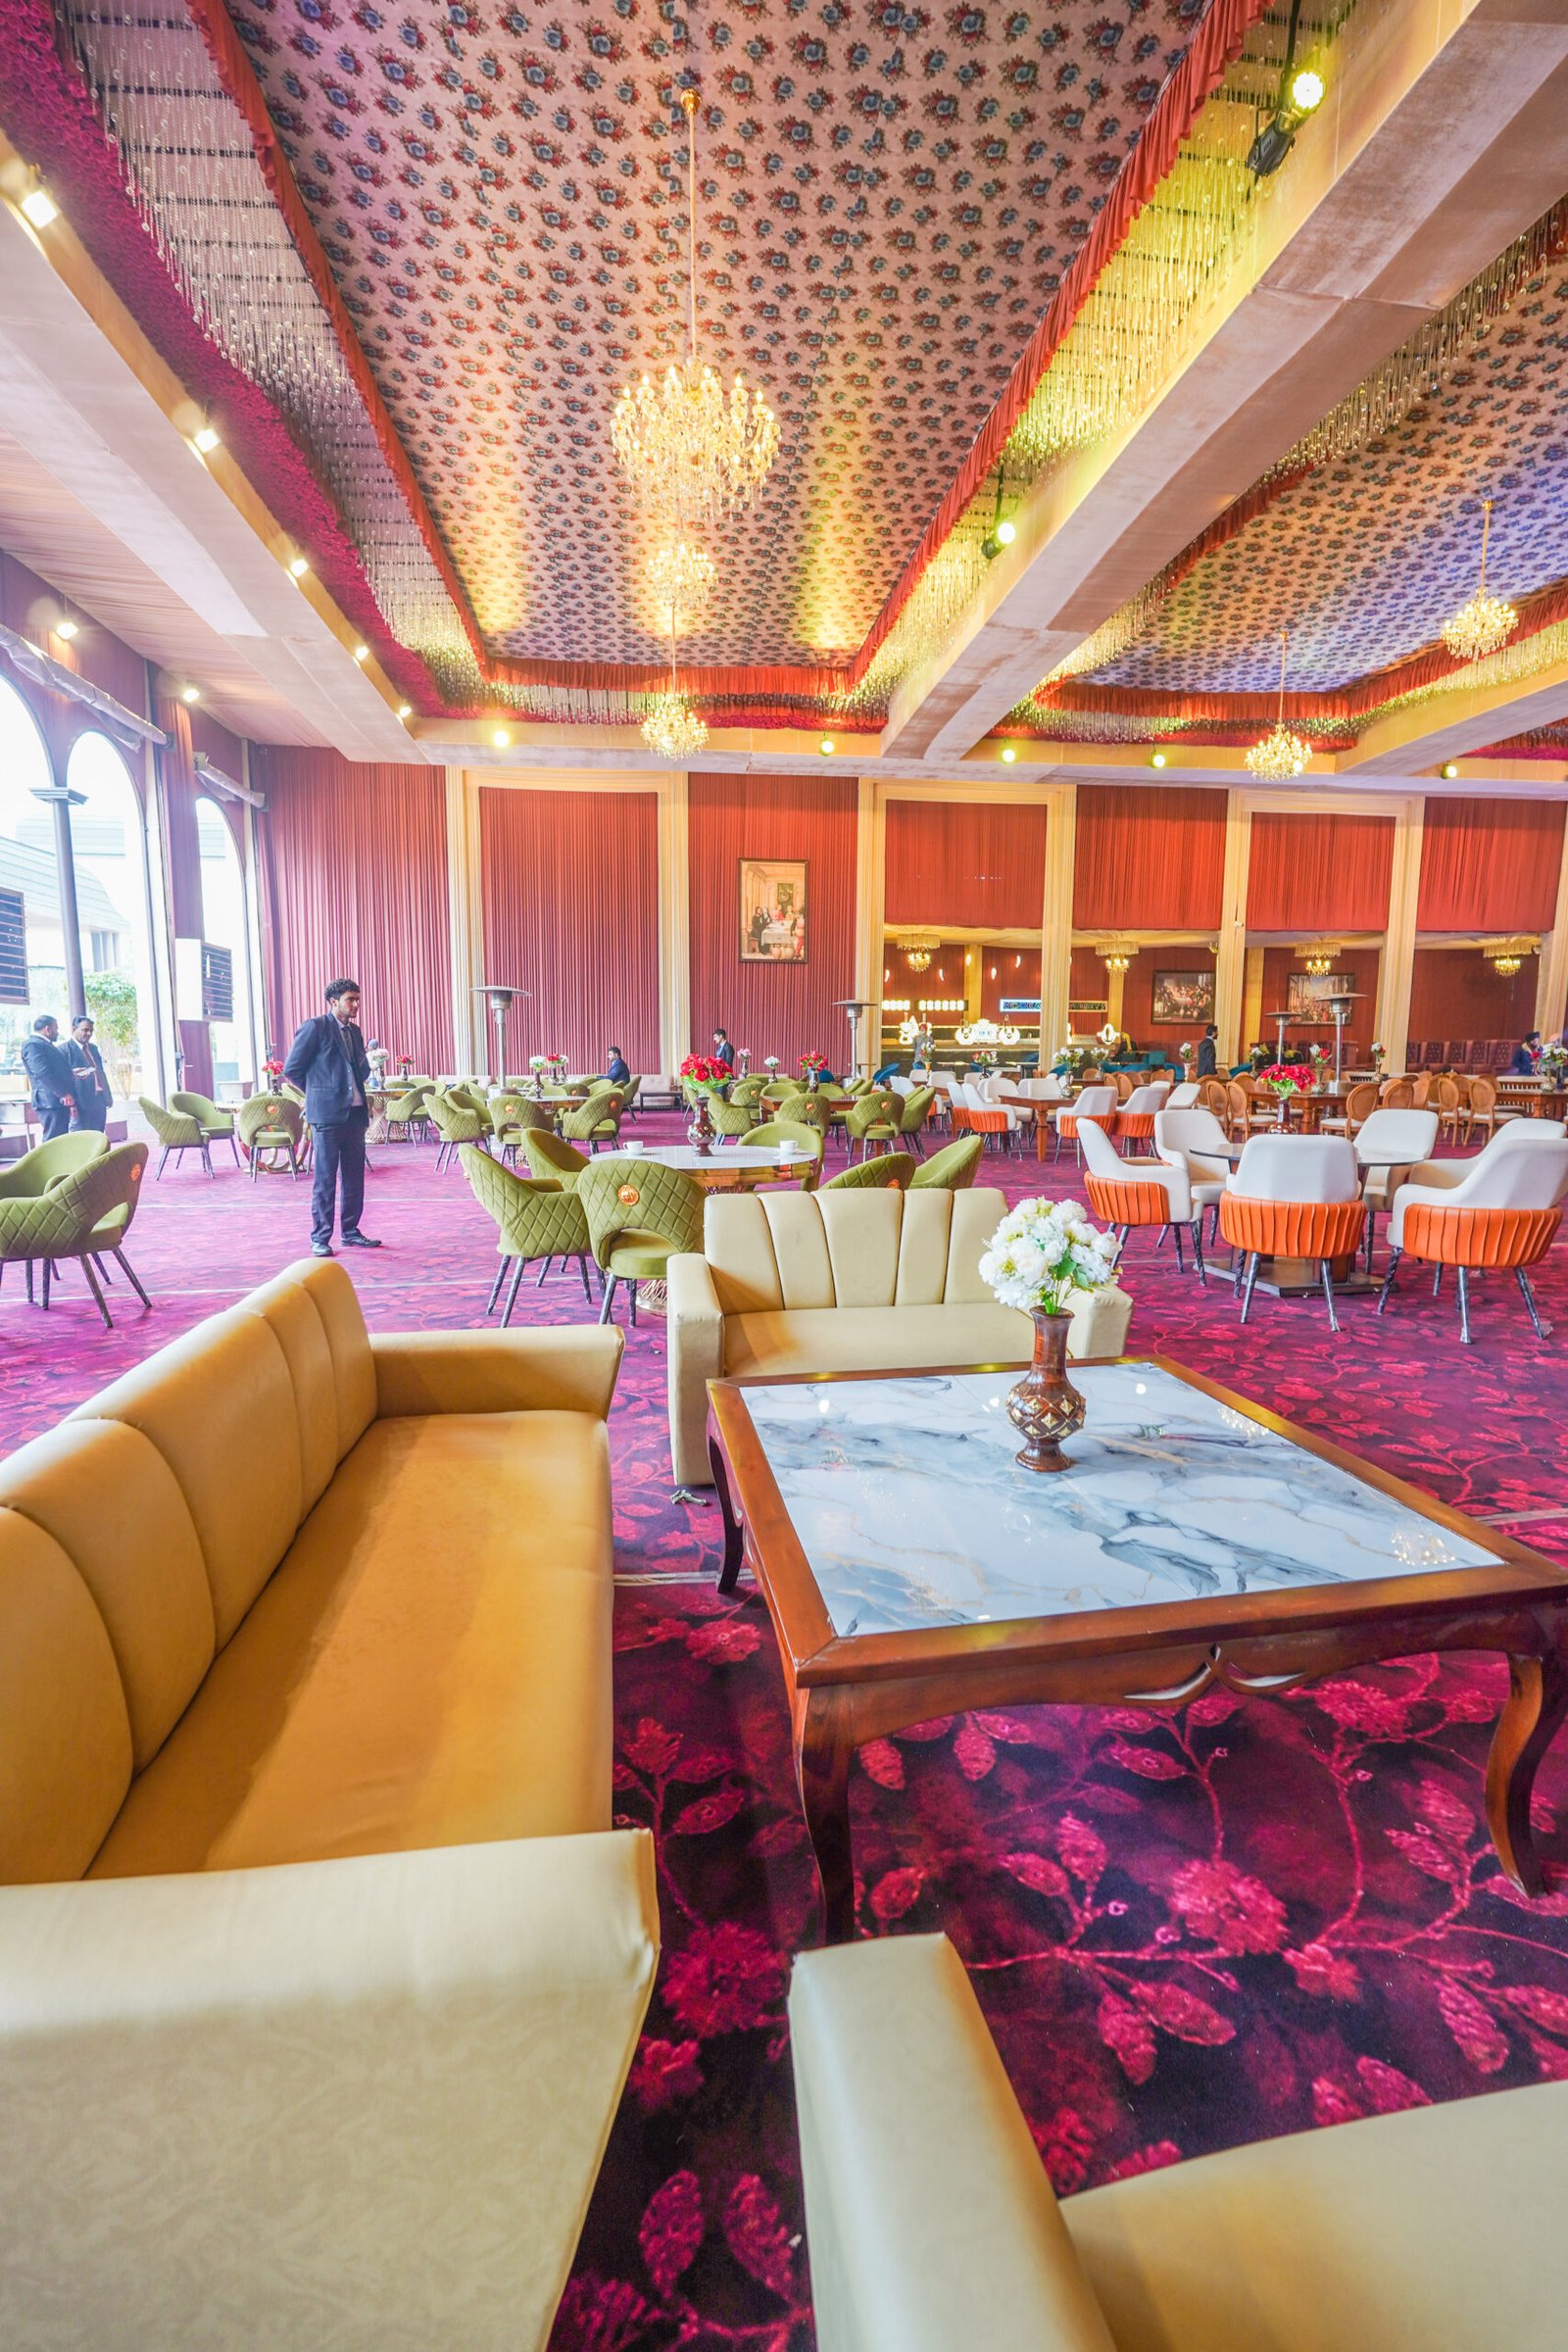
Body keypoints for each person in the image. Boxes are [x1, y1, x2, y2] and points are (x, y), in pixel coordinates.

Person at [282, 977, 381, 1258]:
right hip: (326, 1116)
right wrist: (319, 1092)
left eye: (357, 999)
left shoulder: (355, 1032)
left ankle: (350, 1231)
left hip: (355, 1114)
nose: (356, 1004)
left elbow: (359, 1068)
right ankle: (320, 1238)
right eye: (350, 999)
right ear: (333, 1002)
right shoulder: (315, 1027)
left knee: (354, 1178)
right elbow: (292, 1068)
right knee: (325, 1180)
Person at [21, 1013, 76, 1141]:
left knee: (60, 1140)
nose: (58, 1032)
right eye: (56, 1028)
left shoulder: (43, 1044)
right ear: (48, 1029)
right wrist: (63, 1094)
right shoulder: (33, 1045)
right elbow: (42, 1072)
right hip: (50, 1102)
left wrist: (71, 1072)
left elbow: (51, 1070)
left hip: (55, 1101)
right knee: (53, 1141)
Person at [67, 1014, 111, 1132]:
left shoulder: (93, 1048)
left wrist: (107, 1096)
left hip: (99, 1100)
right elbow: (64, 1080)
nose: (89, 1033)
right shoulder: (65, 1050)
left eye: (91, 1031)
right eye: (85, 1030)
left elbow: (100, 1072)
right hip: (80, 1103)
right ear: (74, 1029)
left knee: (98, 1135)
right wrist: (71, 1104)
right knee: (82, 1137)